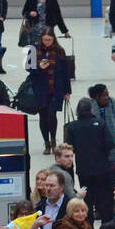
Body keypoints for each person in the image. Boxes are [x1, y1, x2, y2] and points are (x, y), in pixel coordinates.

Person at [27, 28, 71, 156]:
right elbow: (28, 68)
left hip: (56, 89)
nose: (47, 42)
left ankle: (53, 140)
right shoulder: (34, 50)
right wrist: (38, 67)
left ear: (54, 39)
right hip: (40, 89)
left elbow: (65, 72)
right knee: (43, 117)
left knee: (52, 115)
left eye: (50, 40)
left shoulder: (59, 51)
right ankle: (46, 142)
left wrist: (67, 91)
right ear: (41, 39)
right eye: (45, 40)